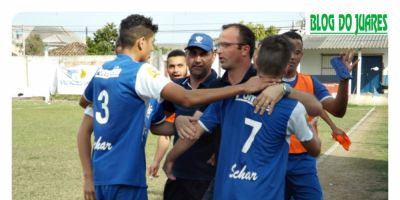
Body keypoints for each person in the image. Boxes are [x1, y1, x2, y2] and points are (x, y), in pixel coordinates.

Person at [78, 14, 270, 200]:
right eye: (152, 43)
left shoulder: (104, 72)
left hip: (100, 176)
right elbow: (186, 98)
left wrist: (177, 122)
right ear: (141, 42)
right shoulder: (141, 72)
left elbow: (83, 102)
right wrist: (243, 88)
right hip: (126, 177)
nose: (152, 49)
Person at [166, 23, 322, 200]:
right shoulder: (291, 108)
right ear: (287, 66)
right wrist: (180, 119)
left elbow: (193, 132)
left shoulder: (227, 96)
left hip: (226, 191)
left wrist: (170, 158)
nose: (220, 51)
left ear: (254, 55)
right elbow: (315, 149)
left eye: (225, 45)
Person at [256, 30, 357, 200]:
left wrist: (344, 80)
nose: (292, 56)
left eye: (297, 52)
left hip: (303, 159)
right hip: (272, 159)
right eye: (288, 50)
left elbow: (337, 110)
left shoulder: (310, 82)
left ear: (301, 55)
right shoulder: (261, 81)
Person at [156, 33, 219, 200]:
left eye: (203, 54)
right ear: (187, 56)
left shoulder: (221, 88)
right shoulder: (175, 88)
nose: (197, 59)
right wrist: (177, 122)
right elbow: (157, 125)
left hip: (208, 177)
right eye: (192, 54)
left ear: (213, 56)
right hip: (177, 174)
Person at [148, 49, 189, 178]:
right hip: (182, 161)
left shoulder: (199, 86)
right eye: (171, 66)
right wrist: (156, 161)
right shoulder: (168, 94)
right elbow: (165, 132)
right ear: (166, 69)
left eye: (180, 65)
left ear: (187, 66)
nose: (175, 70)